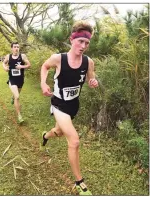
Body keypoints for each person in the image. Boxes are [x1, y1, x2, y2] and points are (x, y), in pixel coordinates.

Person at [40, 20, 98, 195]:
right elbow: (44, 66)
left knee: (58, 132)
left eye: (87, 43)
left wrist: (93, 81)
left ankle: (45, 135)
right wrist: (43, 83)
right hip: (58, 104)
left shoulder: (89, 62)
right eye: (80, 41)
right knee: (74, 141)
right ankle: (79, 182)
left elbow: (91, 78)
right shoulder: (59, 58)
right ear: (72, 39)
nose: (83, 46)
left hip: (74, 105)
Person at [3, 42, 31, 123]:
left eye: (18, 47)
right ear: (11, 48)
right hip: (12, 79)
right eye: (15, 47)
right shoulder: (8, 56)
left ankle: (13, 97)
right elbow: (3, 63)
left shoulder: (22, 56)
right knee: (17, 97)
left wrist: (21, 66)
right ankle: (19, 116)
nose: (16, 48)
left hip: (20, 80)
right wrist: (5, 68)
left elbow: (29, 65)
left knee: (16, 95)